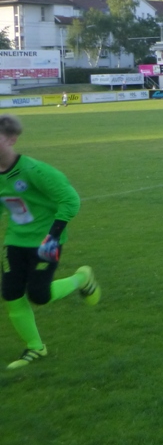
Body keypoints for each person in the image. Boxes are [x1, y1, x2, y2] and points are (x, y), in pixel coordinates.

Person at [0, 114, 100, 369]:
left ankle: (81, 279)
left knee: (39, 295)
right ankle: (35, 347)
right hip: (15, 241)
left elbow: (70, 199)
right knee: (11, 293)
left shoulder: (34, 170)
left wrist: (53, 234)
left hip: (46, 240)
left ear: (11, 140)